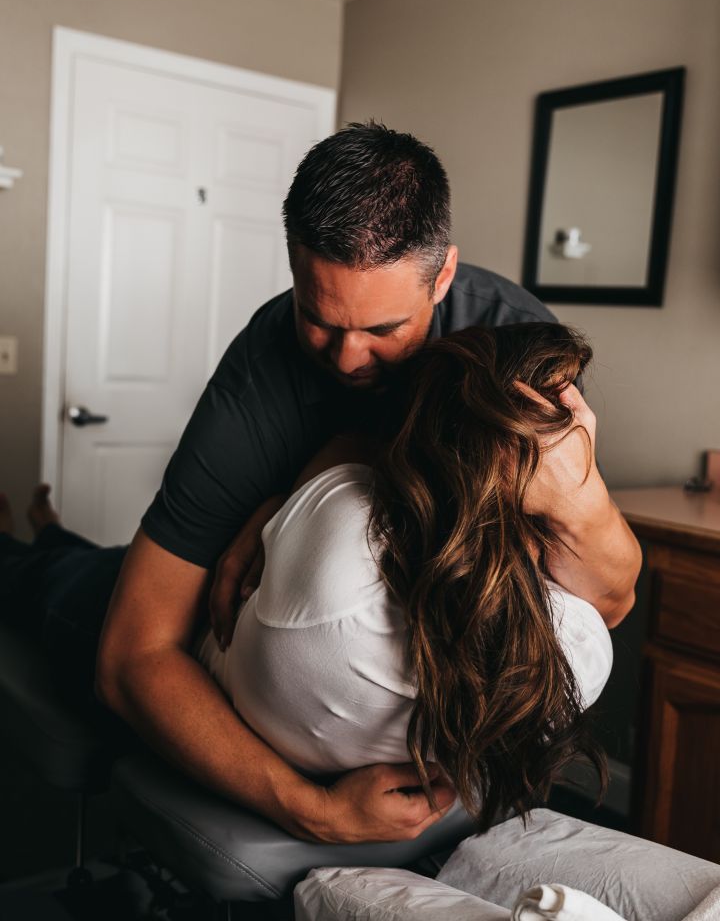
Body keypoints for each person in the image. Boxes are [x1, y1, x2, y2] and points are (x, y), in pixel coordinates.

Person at [25, 122, 641, 843]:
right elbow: (132, 654)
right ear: (293, 263)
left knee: (86, 562)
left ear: (443, 276)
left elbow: (608, 603)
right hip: (212, 605)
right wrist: (313, 810)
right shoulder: (259, 374)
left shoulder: (511, 346)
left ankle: (50, 532)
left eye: (383, 330)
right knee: (63, 585)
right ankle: (32, 542)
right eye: (318, 320)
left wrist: (578, 500)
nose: (348, 359)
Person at [0, 322, 613, 835]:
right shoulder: (576, 656)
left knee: (51, 574)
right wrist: (576, 489)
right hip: (187, 623)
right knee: (64, 568)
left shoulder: (344, 538)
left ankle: (37, 538)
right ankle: (44, 534)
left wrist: (278, 505)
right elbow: (610, 594)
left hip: (193, 632)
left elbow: (354, 447)